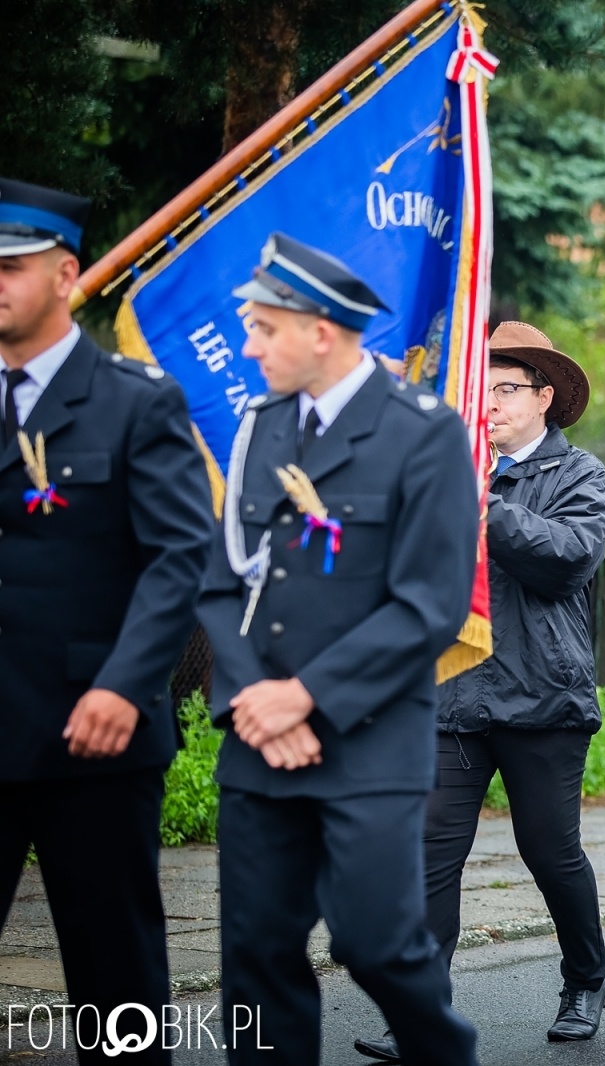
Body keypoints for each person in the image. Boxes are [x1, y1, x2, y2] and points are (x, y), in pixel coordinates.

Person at [196, 233, 481, 1065]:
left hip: (369, 746)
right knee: (256, 958)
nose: (249, 348)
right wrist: (256, 701)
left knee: (375, 944)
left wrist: (306, 697)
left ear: (321, 332)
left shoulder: (422, 432)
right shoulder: (259, 426)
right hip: (260, 744)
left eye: (263, 329)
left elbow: (429, 604)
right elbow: (223, 582)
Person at [353, 322, 605, 1062]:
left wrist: (481, 505)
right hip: (452, 697)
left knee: (550, 853)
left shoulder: (580, 474)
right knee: (431, 857)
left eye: (505, 390)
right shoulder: (450, 469)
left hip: (544, 701)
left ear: (544, 397)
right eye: (480, 391)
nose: (489, 405)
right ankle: (422, 1012)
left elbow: (568, 560)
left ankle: (585, 980)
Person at [0, 177, 214, 1065]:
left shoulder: (135, 401)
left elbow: (178, 556)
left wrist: (126, 686)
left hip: (93, 732)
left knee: (114, 978)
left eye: (10, 267)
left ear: (65, 275)